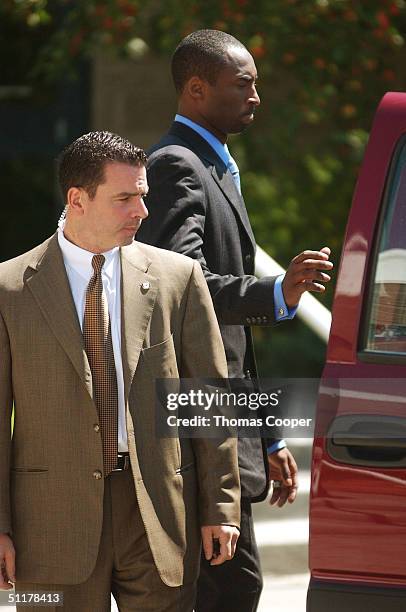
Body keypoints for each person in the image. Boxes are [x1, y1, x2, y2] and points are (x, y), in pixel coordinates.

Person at [0, 131, 241, 612]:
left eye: (143, 196)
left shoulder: (178, 277)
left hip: (155, 511)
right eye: (125, 198)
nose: (142, 211)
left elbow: (207, 396)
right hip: (49, 523)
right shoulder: (9, 289)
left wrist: (220, 504)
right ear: (78, 200)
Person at [137, 29, 334, 612]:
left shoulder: (215, 165)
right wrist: (275, 290)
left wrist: (267, 433)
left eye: (256, 83)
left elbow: (230, 338)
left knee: (233, 588)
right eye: (242, 83)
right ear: (197, 89)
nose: (256, 96)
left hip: (229, 422)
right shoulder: (177, 164)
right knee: (227, 589)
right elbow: (182, 287)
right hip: (196, 430)